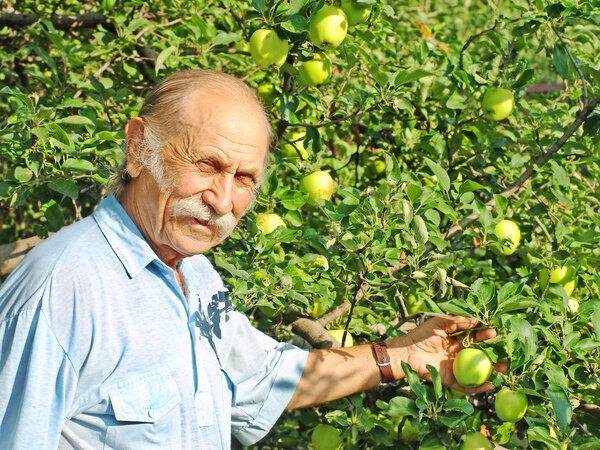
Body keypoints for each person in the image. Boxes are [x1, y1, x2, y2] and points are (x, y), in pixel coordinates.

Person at [0, 70, 502, 449]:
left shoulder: (193, 271)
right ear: (138, 148)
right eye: (206, 164)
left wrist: (401, 357)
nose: (222, 200)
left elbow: (260, 380)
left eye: (243, 179)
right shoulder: (62, 290)